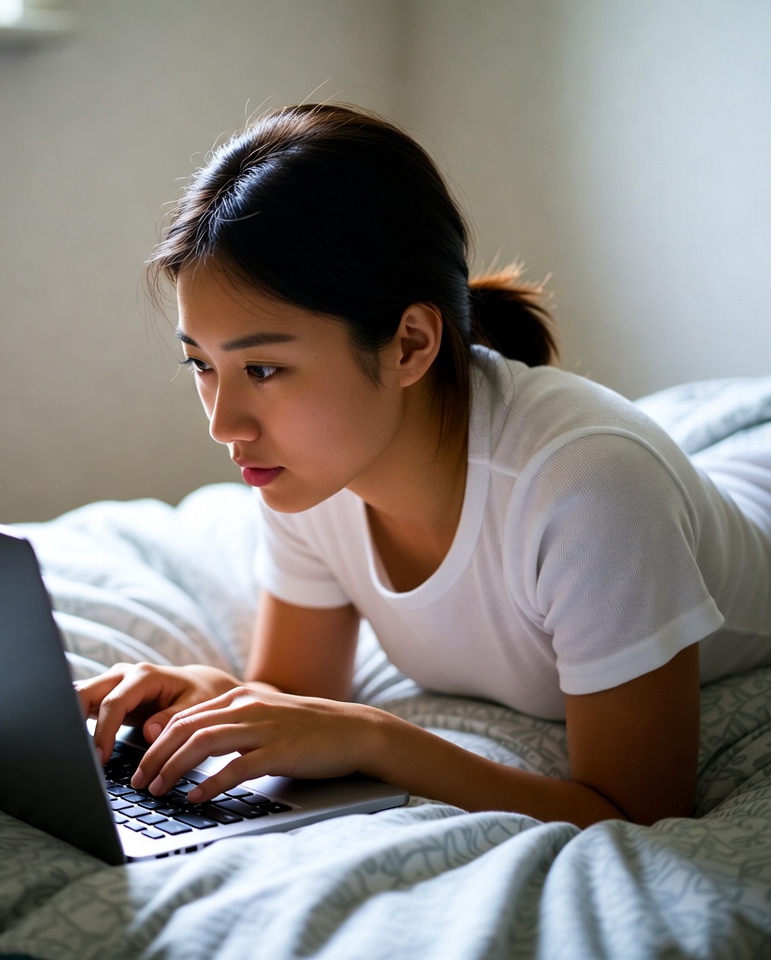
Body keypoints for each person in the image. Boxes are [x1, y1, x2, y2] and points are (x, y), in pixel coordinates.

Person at [76, 103, 771, 829]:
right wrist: (205, 695)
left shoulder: (594, 492)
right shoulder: (306, 472)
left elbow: (639, 810)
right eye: (201, 365)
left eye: (265, 368)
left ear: (409, 343)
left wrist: (378, 739)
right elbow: (292, 697)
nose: (225, 425)